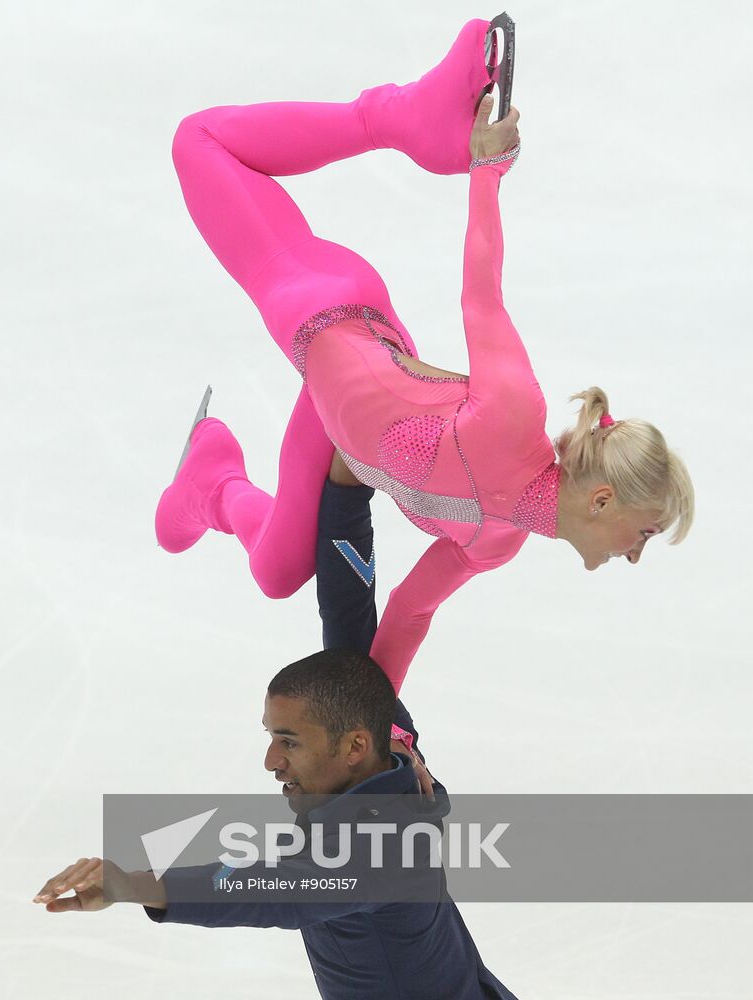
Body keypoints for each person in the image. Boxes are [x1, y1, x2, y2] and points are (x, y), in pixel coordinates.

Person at [153, 17, 695, 693]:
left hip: (334, 411)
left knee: (279, 571)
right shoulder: (510, 418)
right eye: (642, 534)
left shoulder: (497, 542)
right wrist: (486, 170)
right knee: (197, 141)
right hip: (324, 310)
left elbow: (409, 612)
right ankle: (394, 117)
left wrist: (382, 728)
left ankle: (212, 483)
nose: (636, 555)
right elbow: (482, 296)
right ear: (605, 500)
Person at [33, 479, 520, 999]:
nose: (270, 761)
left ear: (354, 747)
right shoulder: (388, 752)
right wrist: (345, 490)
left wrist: (133, 884)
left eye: (289, 741)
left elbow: (272, 891)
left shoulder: (380, 856)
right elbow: (348, 614)